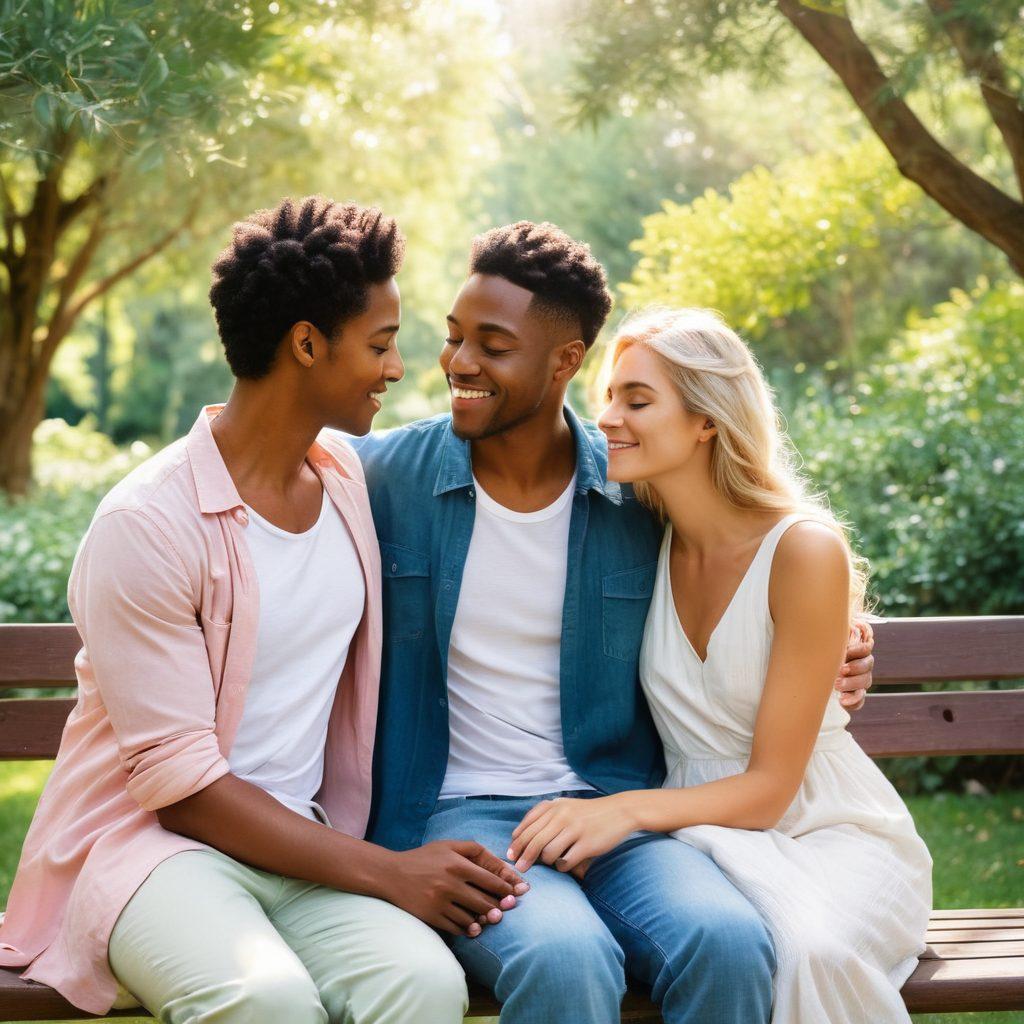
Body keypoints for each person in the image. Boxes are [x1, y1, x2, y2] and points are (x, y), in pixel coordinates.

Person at [0, 196, 526, 1023]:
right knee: (263, 1000)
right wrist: (390, 871)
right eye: (380, 345)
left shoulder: (349, 480)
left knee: (422, 984)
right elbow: (181, 790)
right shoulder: (148, 524)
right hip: (153, 855)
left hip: (303, 839)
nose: (397, 369)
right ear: (307, 344)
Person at [349, 223, 876, 1024]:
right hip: (463, 816)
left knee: (729, 942)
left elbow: (754, 553)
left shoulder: (638, 490)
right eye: (453, 339)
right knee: (566, 960)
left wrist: (848, 638)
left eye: (492, 345)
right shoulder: (386, 476)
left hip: (618, 800)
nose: (458, 363)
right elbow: (269, 468)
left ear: (565, 362)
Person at [508, 307, 932, 1022]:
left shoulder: (802, 551)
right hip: (700, 836)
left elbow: (770, 790)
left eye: (636, 400)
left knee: (804, 949)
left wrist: (625, 811)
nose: (607, 417)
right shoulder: (638, 538)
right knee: (725, 940)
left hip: (824, 830)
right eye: (609, 396)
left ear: (707, 420)